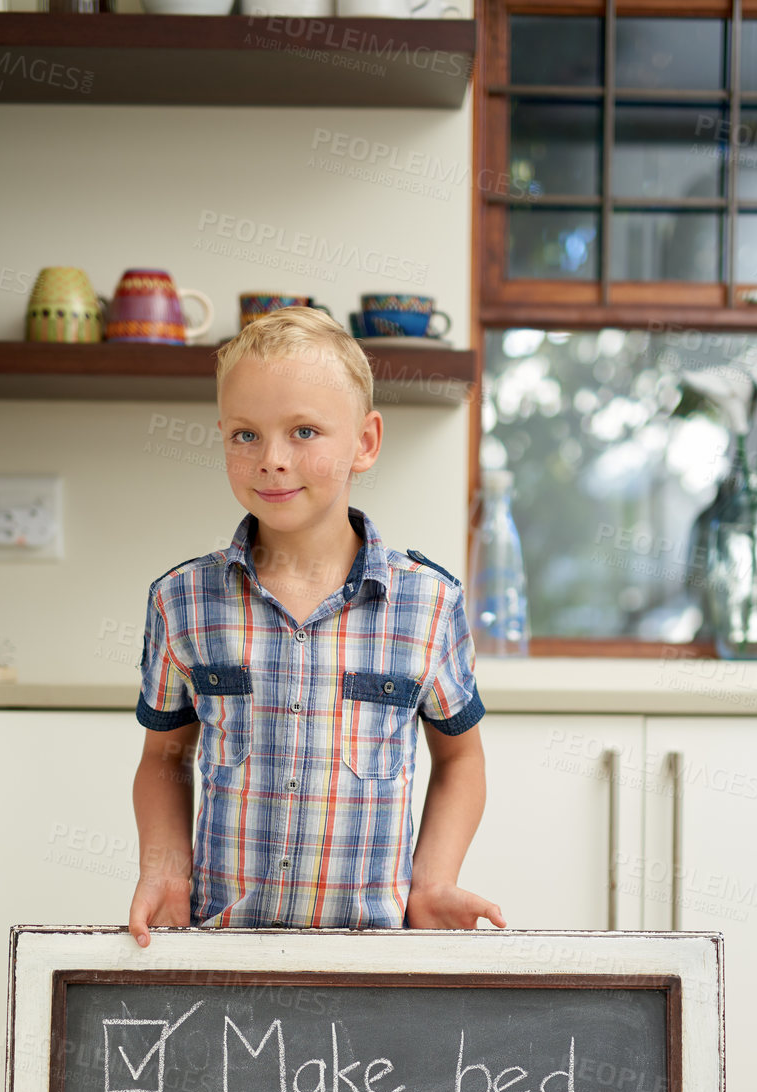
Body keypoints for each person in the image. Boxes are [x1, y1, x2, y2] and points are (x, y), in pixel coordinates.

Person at [128, 306, 504, 943]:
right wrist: (166, 869)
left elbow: (461, 758)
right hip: (223, 952)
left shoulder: (428, 602)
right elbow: (165, 756)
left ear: (364, 442)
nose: (272, 459)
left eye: (304, 431)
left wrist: (434, 881)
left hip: (375, 959)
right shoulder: (182, 600)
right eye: (245, 435)